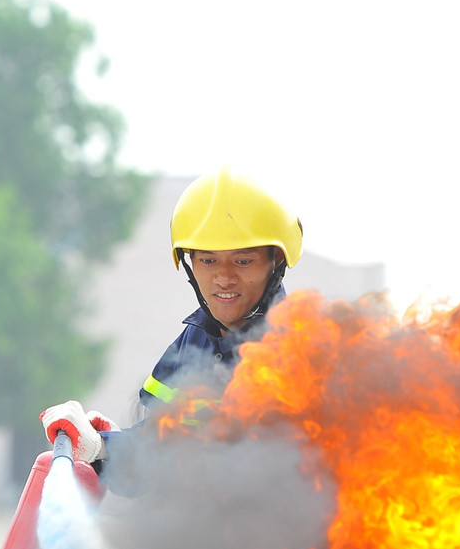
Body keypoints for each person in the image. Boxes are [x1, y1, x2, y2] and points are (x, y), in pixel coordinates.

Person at [40, 169, 303, 485]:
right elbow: (156, 460)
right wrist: (104, 447)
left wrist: (108, 446)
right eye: (208, 261)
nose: (223, 277)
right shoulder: (195, 339)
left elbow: (224, 465)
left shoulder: (299, 351)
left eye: (242, 261)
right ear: (189, 263)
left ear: (276, 261)